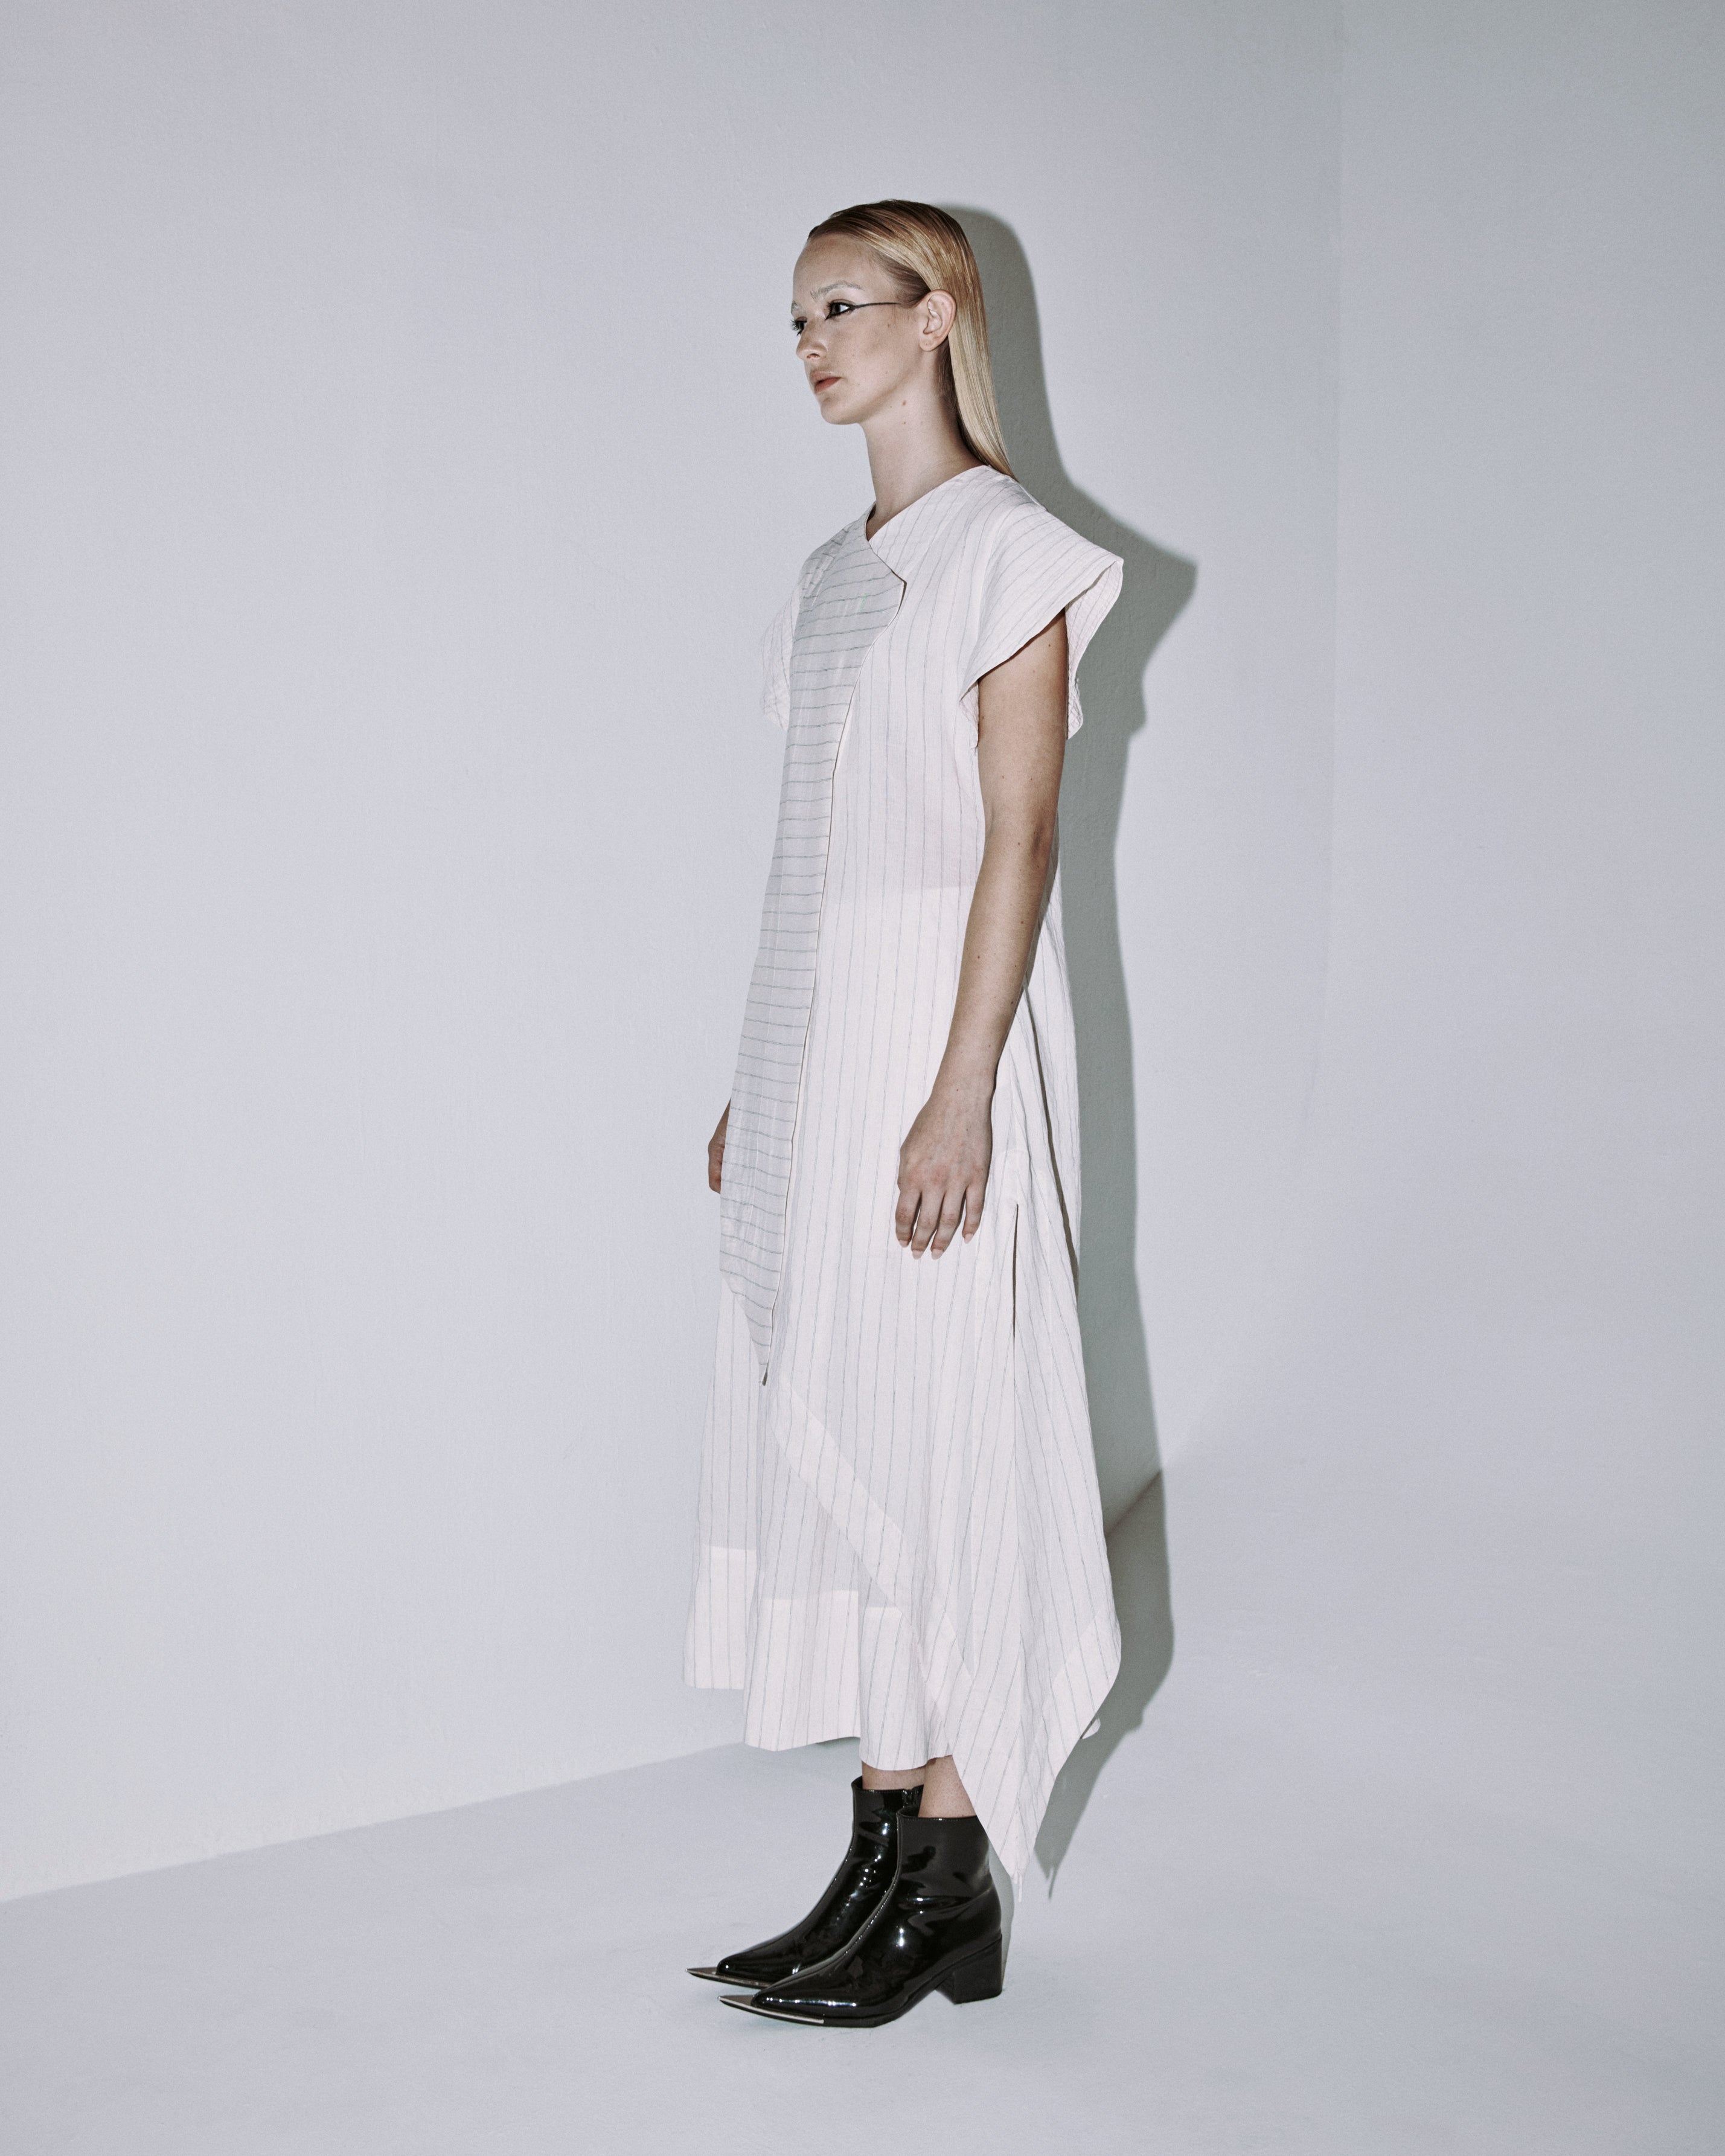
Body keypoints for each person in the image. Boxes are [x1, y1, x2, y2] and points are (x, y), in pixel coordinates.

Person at [684, 200, 1122, 2028]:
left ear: (938, 318)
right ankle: (889, 1860)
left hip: (943, 1040)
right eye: (795, 318)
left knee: (940, 1430)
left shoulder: (1007, 552)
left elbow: (1016, 840)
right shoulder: (827, 572)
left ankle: (947, 1875)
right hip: (826, 1041)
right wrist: (760, 1078)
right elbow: (811, 855)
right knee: (853, 1426)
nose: (812, 345)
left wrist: (959, 1092)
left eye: (842, 307)